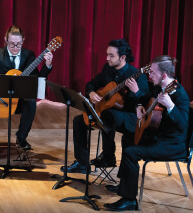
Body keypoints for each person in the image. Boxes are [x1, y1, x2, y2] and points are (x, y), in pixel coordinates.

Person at [104, 55, 190, 211]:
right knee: (127, 139)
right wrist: (138, 107)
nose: (149, 76)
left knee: (131, 152)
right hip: (158, 137)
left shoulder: (180, 95)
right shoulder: (159, 88)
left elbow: (183, 127)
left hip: (172, 144)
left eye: (153, 73)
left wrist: (171, 106)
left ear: (164, 75)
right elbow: (142, 99)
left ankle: (129, 200)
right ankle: (125, 185)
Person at [61, 39, 149, 174]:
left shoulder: (137, 75)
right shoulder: (107, 69)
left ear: (123, 57)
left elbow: (144, 100)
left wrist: (136, 91)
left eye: (111, 55)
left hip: (129, 117)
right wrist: (91, 92)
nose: (107, 58)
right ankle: (82, 163)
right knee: (79, 121)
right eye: (107, 54)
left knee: (108, 115)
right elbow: (92, 83)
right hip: (108, 113)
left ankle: (108, 156)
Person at [0, 25, 54, 166]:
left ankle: (21, 138)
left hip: (18, 102)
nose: (15, 47)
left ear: (23, 41)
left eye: (19, 44)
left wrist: (48, 65)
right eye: (12, 44)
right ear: (5, 40)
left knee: (31, 101)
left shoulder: (29, 55)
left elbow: (37, 80)